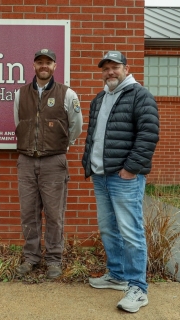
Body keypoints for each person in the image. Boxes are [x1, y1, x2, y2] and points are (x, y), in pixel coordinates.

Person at [83, 51, 159, 313]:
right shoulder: (100, 98)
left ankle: (138, 288)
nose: (110, 72)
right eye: (105, 69)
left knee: (131, 232)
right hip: (101, 175)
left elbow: (148, 135)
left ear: (126, 68)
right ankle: (117, 275)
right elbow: (94, 135)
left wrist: (130, 169)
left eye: (115, 67)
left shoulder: (140, 95)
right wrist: (90, 166)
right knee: (108, 228)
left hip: (124, 177)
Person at [13, 49, 83, 279]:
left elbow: (76, 126)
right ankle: (31, 257)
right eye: (40, 62)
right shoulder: (20, 94)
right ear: (34, 65)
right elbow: (18, 122)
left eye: (48, 62)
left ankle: (54, 259)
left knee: (54, 214)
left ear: (55, 66)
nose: (44, 66)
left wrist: (61, 145)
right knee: (29, 213)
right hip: (26, 161)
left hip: (54, 161)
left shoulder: (67, 93)